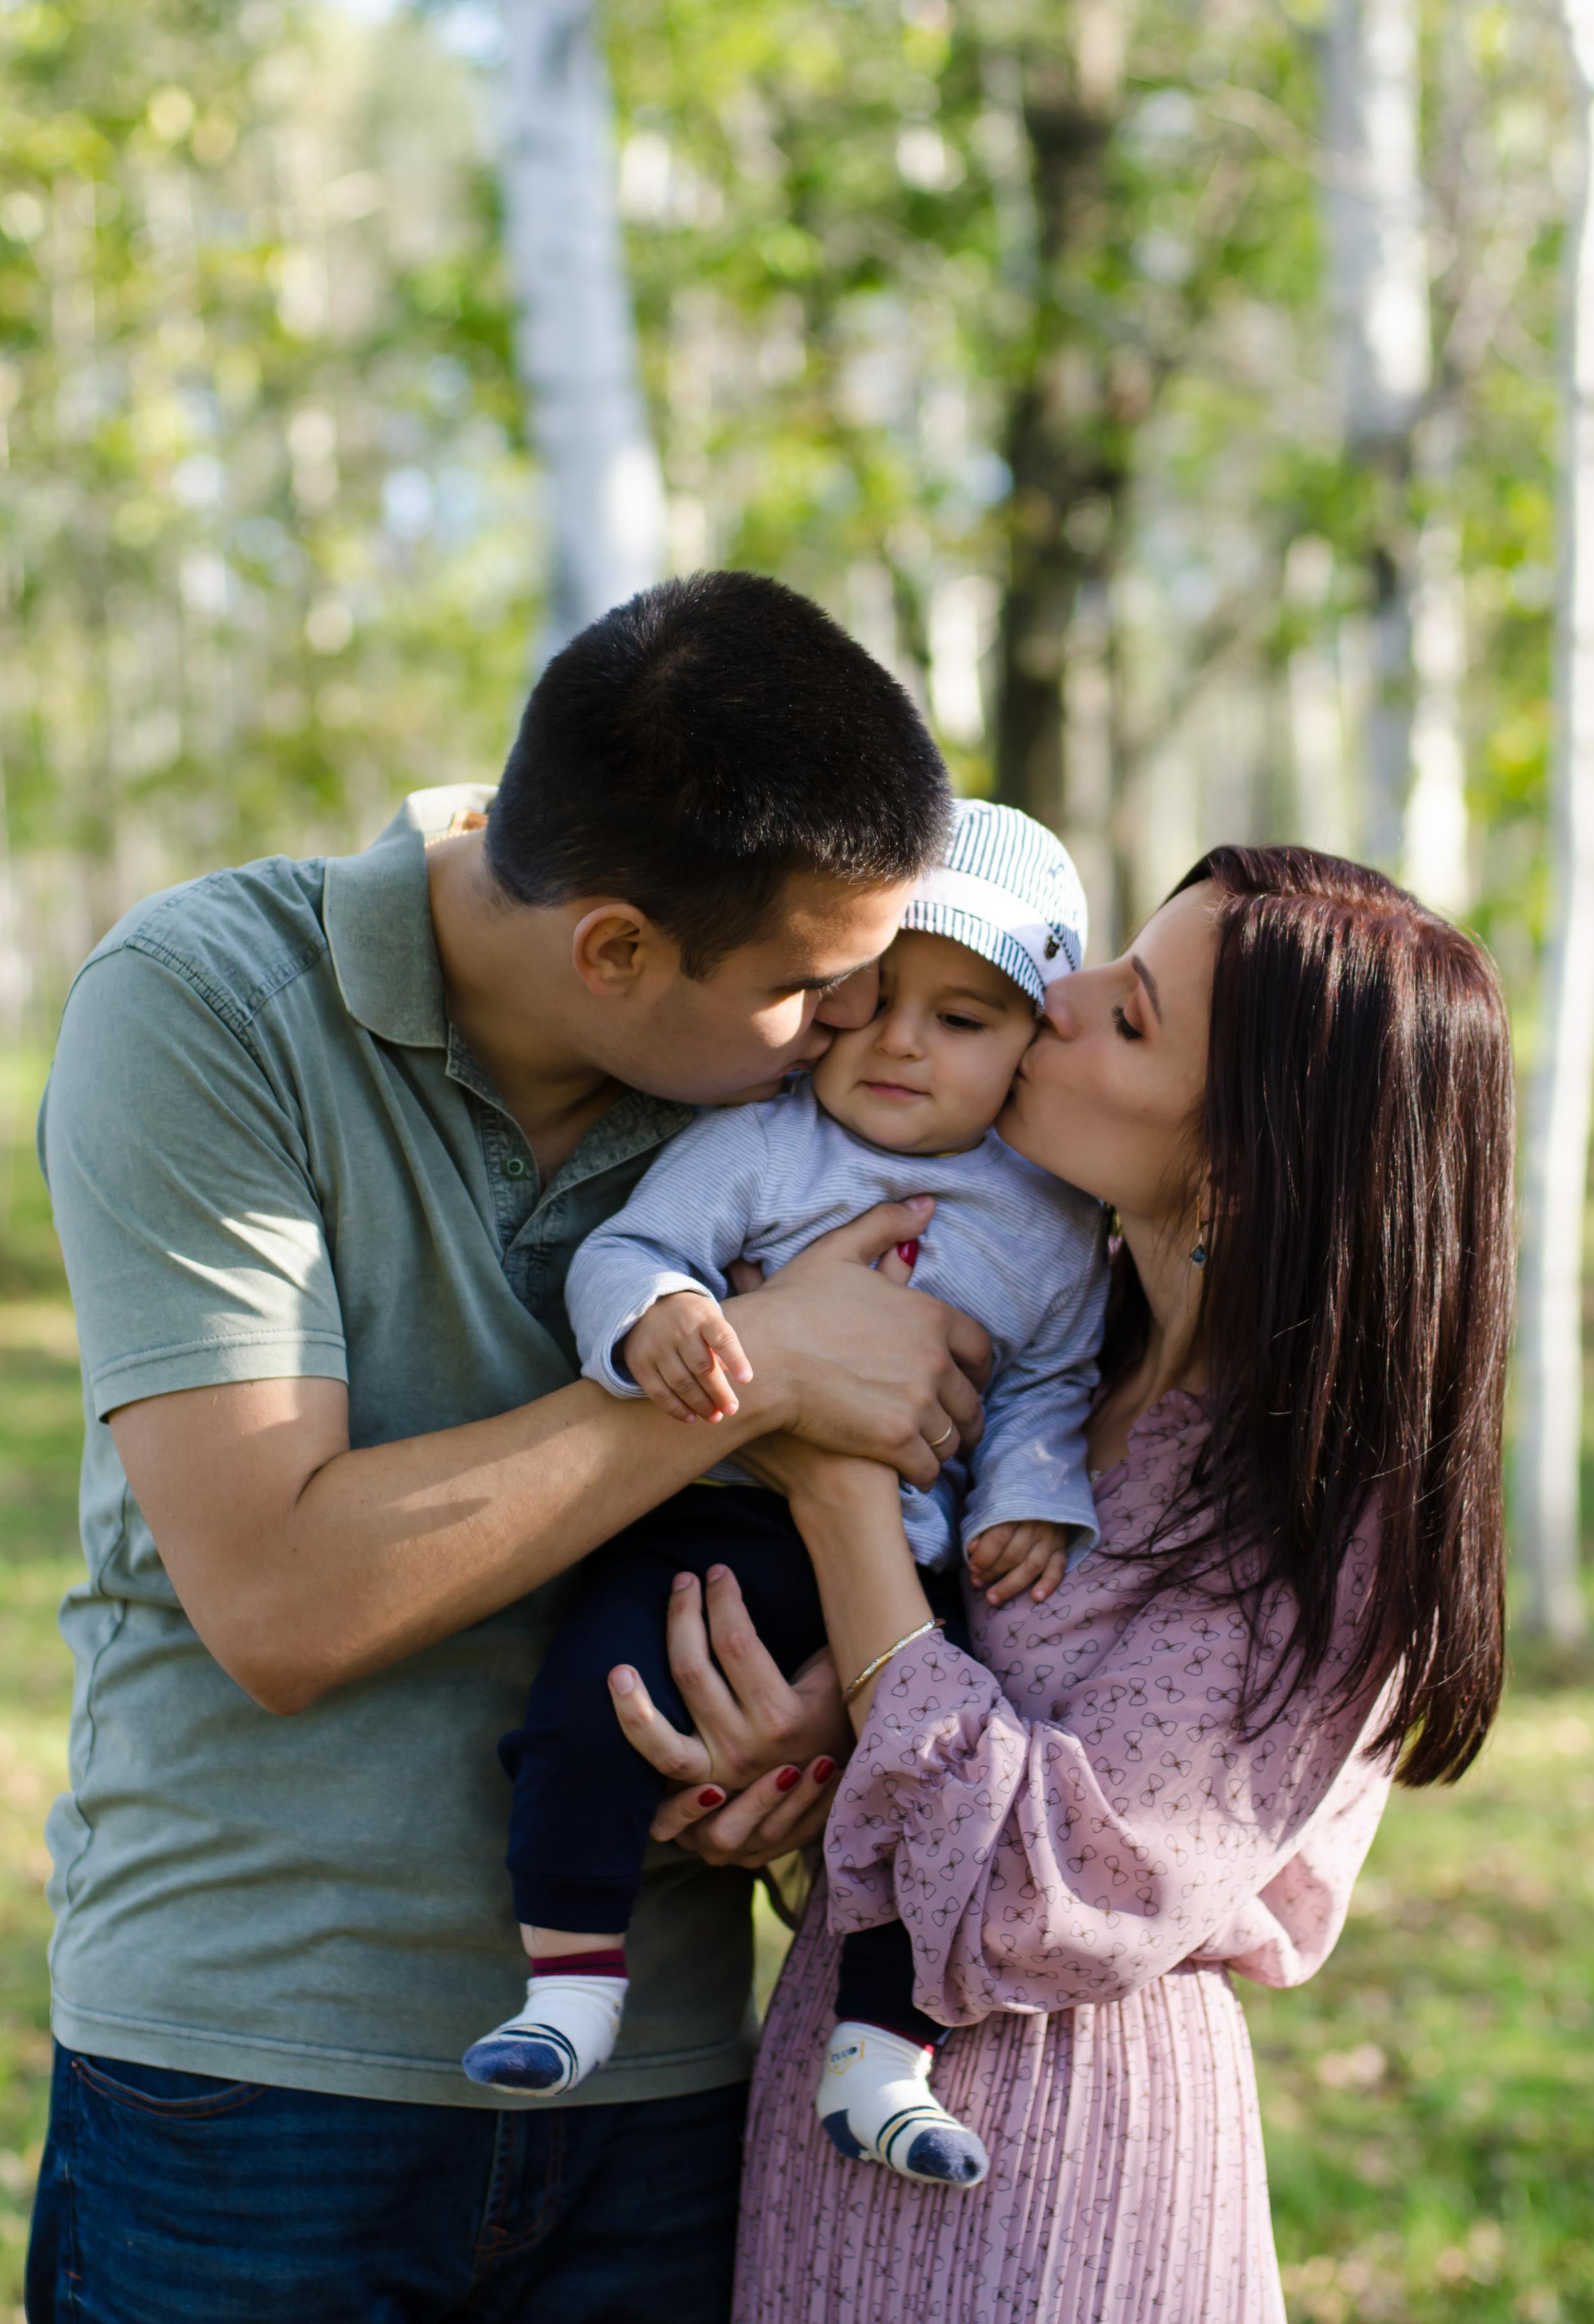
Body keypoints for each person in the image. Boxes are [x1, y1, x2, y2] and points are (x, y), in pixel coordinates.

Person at [25, 571, 995, 2324]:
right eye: (810, 984)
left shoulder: (762, 1097)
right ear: (615, 949)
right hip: (256, 2083)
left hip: (669, 2094)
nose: (855, 1029)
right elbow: (280, 1596)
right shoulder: (207, 1009)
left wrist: (808, 1731)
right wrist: (753, 1367)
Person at [614, 846, 1517, 2324]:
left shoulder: (1315, 1503)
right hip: (818, 2118)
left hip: (1053, 2165)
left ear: (1238, 1156)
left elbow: (1058, 1885)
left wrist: (833, 1472)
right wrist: (802, 1771)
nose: (1059, 996)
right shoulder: (1054, 1349)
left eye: (1131, 1014)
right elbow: (920, 1727)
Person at [462, 803, 1109, 2203]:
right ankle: (568, 1977)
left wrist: (1031, 1496)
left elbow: (1051, 1383)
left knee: (904, 1789)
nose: (900, 1044)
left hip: (912, 1571)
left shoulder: (1052, 1220)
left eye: (965, 1017)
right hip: (714, 1517)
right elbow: (633, 1244)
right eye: (875, 1001)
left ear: (1027, 1042)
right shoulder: (762, 1146)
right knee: (591, 1697)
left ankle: (881, 2048)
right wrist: (659, 1315)